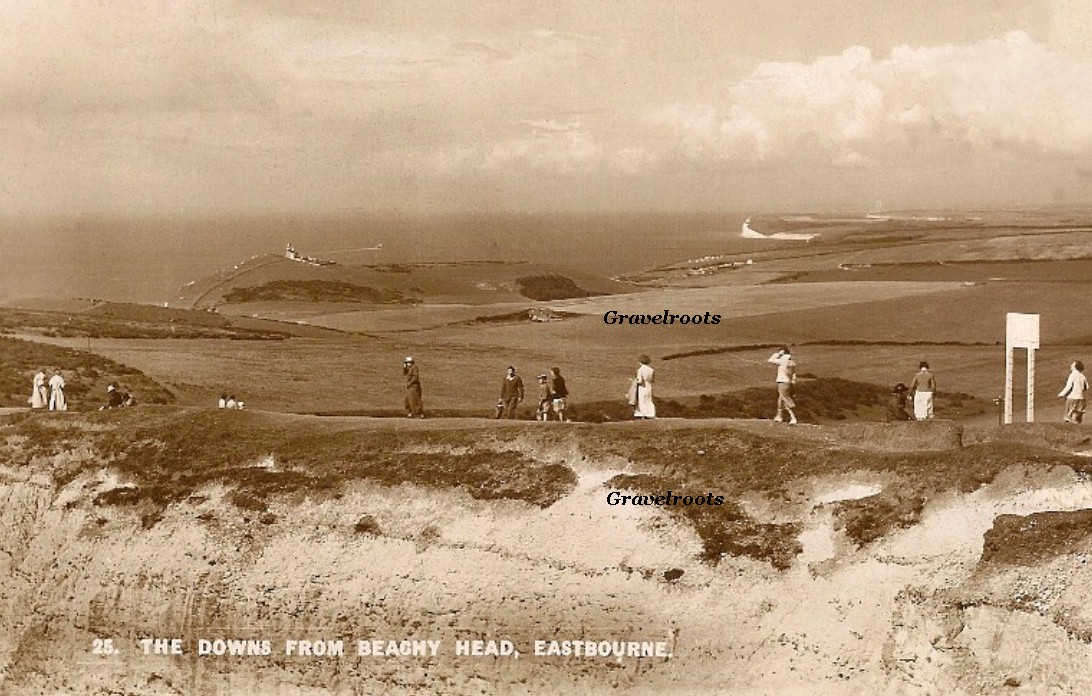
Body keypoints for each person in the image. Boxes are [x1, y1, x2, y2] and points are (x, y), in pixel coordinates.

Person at [767, 347, 797, 424]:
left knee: (786, 399)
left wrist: (778, 354)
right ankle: (779, 417)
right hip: (788, 383)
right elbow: (793, 374)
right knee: (780, 401)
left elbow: (770, 360)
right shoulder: (792, 362)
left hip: (782, 382)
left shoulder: (783, 361)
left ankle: (793, 417)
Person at [634, 355, 656, 419]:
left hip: (642, 387)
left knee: (642, 401)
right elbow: (652, 380)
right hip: (649, 386)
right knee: (649, 400)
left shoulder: (640, 370)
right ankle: (651, 413)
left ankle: (643, 414)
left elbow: (640, 381)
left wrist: (634, 381)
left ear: (640, 362)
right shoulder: (651, 370)